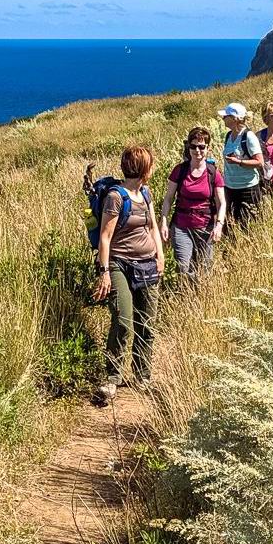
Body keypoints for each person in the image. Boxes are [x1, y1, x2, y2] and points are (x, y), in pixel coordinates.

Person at [92, 146, 166, 402]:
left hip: (147, 264)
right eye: (150, 164)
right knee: (123, 320)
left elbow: (153, 226)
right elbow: (105, 237)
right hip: (119, 264)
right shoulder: (116, 197)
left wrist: (160, 255)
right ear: (143, 168)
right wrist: (104, 272)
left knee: (147, 323)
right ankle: (112, 378)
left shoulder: (145, 192)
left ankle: (142, 375)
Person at [159, 127, 226, 286]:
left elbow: (221, 202)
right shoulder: (179, 171)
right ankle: (186, 293)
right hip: (182, 226)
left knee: (204, 269)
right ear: (188, 148)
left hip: (206, 228)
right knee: (183, 267)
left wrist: (219, 226)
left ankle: (200, 296)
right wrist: (163, 222)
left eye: (202, 147)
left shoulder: (213, 173)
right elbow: (168, 199)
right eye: (194, 146)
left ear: (208, 148)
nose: (197, 150)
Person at [218, 102, 265, 229]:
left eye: (225, 116)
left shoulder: (248, 136)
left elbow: (259, 162)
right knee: (230, 226)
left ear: (234, 119)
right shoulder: (228, 136)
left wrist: (238, 162)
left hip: (248, 189)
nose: (223, 119)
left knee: (248, 226)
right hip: (230, 187)